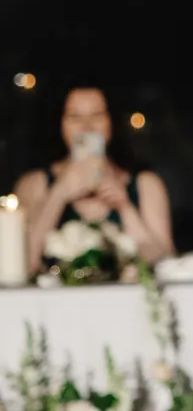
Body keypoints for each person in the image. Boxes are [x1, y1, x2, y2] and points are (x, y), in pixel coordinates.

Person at [16, 84, 175, 277]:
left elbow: (166, 265)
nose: (86, 127)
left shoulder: (145, 184)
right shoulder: (36, 183)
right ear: (60, 123)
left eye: (97, 116)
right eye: (75, 117)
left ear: (111, 123)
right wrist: (58, 194)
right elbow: (22, 265)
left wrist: (124, 207)